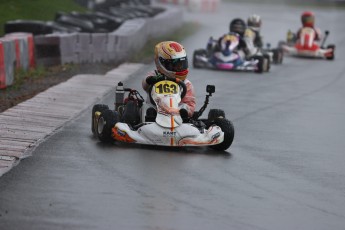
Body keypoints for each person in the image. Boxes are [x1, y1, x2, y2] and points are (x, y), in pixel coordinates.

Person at [142, 41, 196, 122]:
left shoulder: (186, 84)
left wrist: (185, 111)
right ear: (161, 63)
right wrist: (152, 79)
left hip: (177, 116)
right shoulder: (155, 75)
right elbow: (145, 84)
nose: (179, 68)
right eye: (175, 65)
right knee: (146, 108)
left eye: (181, 64)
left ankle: (183, 120)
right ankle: (148, 122)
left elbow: (190, 104)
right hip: (155, 111)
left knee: (184, 107)